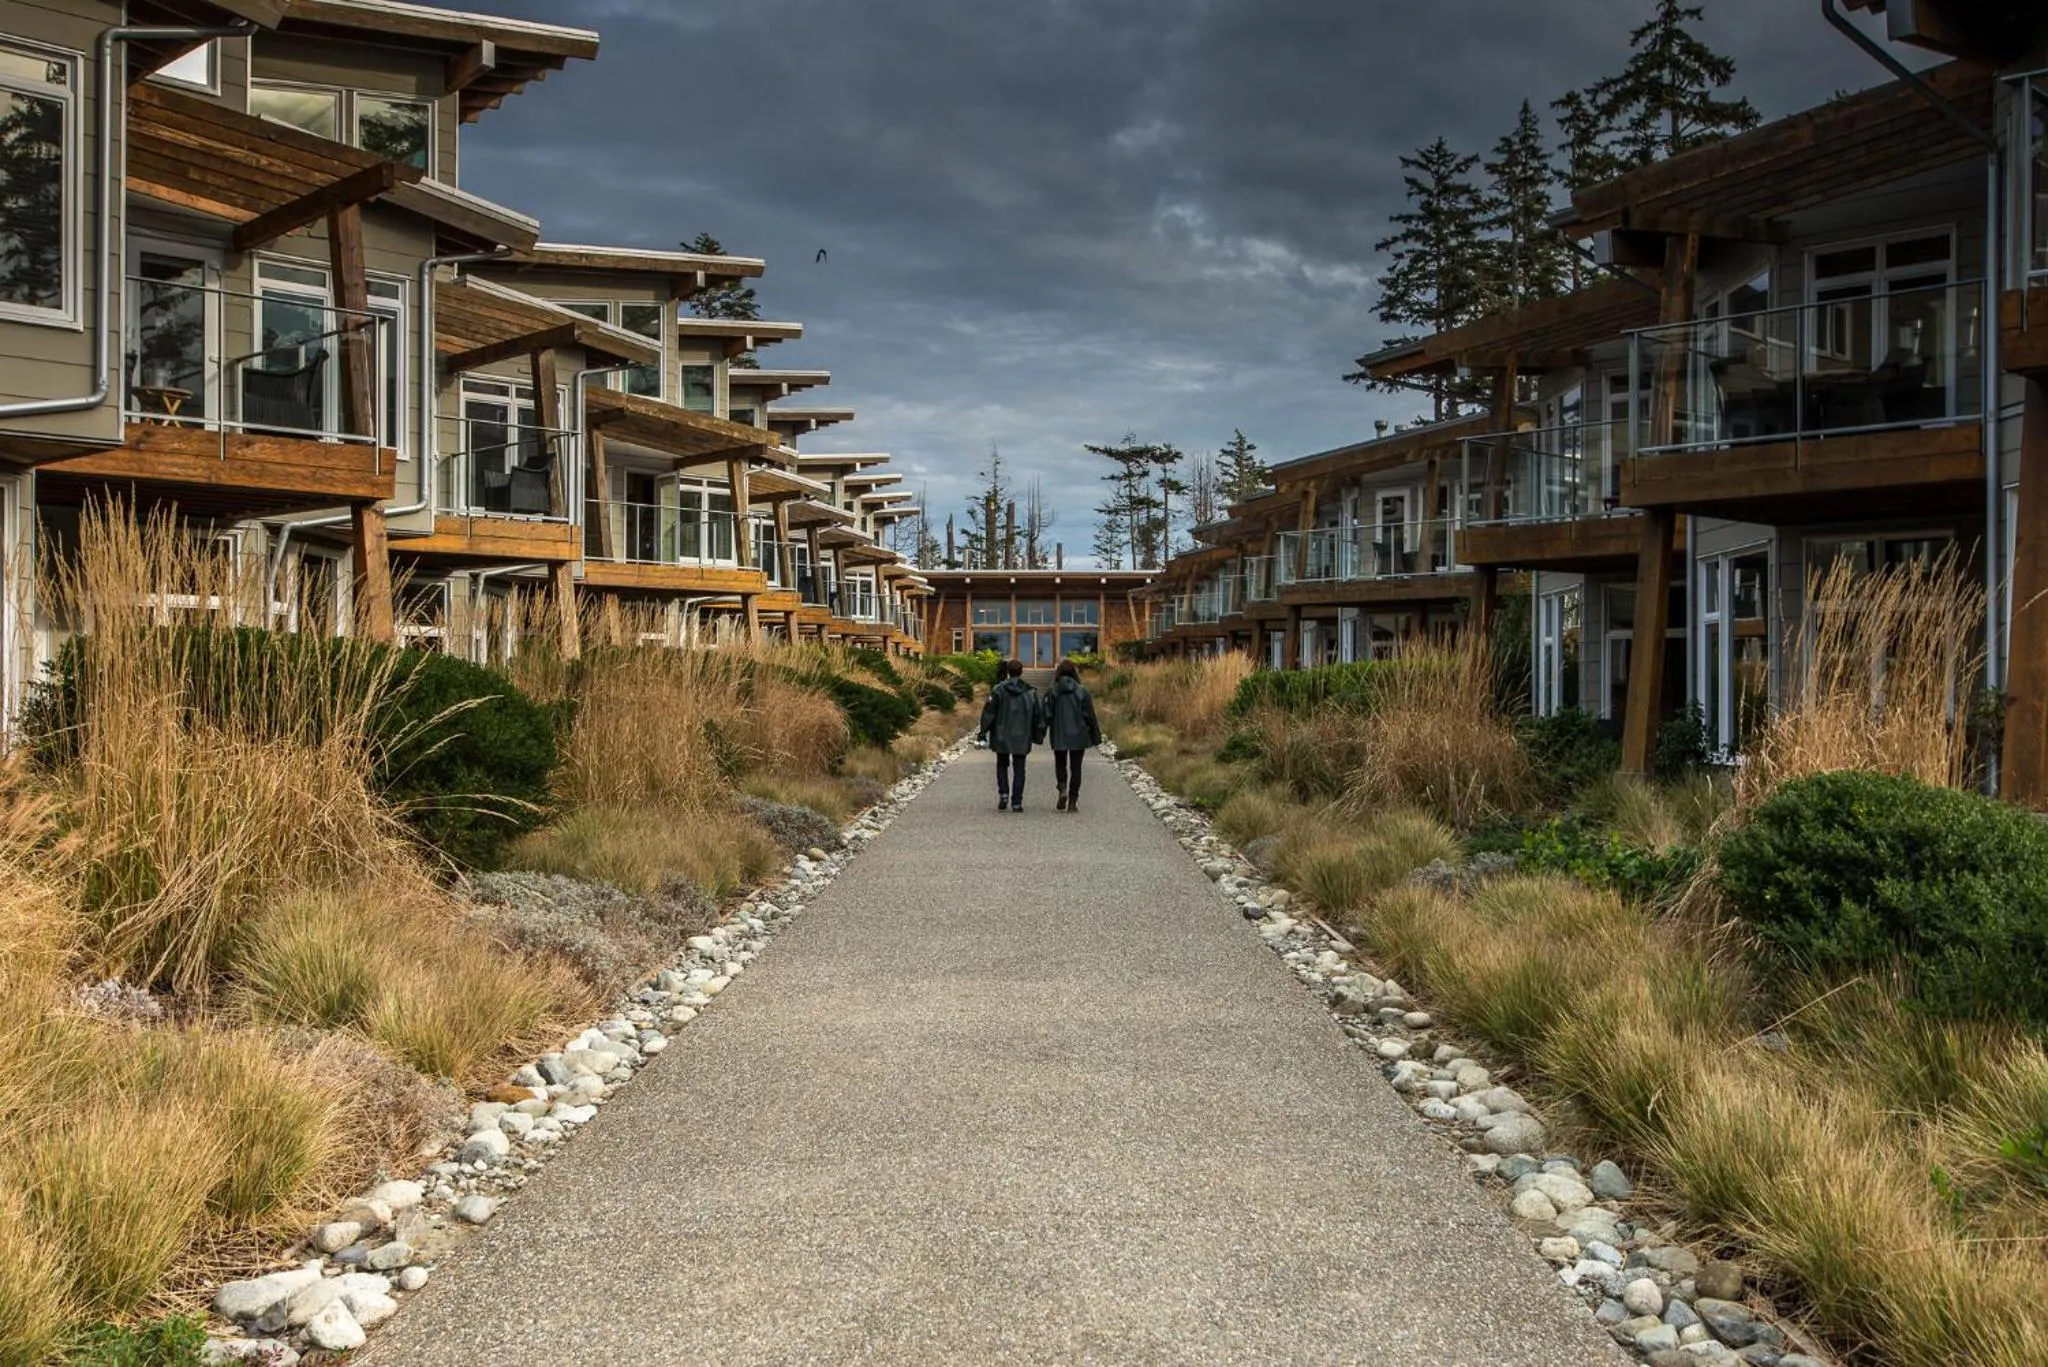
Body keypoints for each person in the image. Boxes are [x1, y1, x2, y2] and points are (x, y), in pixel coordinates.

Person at [977, 658, 1045, 811]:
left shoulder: (998, 690)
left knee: (1002, 765)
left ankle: (1004, 794)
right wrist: (1038, 734)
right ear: (1021, 672)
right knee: (1019, 767)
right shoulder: (1030, 692)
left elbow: (989, 713)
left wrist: (983, 732)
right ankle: (1017, 801)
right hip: (1022, 735)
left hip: (1001, 734)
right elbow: (1038, 716)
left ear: (1008, 671)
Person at [1041, 659, 1102, 813]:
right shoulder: (1082, 691)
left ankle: (1062, 788)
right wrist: (1095, 736)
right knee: (1076, 767)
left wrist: (1040, 732)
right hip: (1079, 734)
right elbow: (1090, 716)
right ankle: (1073, 801)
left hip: (1059, 732)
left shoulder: (1053, 691)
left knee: (1060, 763)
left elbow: (1047, 714)